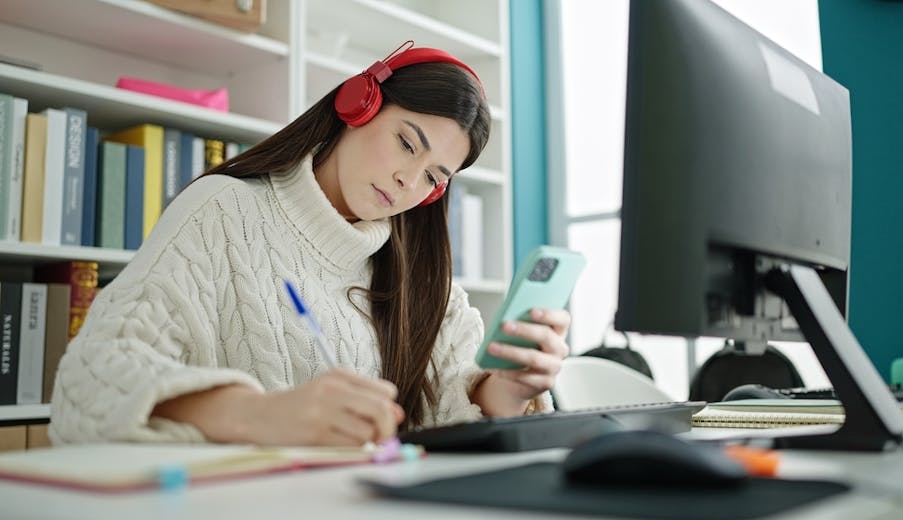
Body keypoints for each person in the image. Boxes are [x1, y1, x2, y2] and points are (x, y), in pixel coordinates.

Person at [51, 42, 572, 447]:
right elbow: (90, 382)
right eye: (407, 143)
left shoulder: (424, 277)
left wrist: (503, 392)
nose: (407, 182)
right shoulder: (222, 212)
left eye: (433, 176)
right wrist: (260, 414)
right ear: (358, 104)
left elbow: (446, 414)